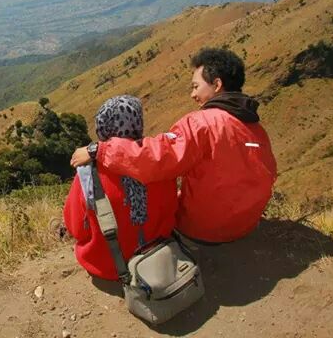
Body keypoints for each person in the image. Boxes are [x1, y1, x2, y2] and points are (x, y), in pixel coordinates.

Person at [70, 48, 277, 244]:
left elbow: (156, 158)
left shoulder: (201, 124)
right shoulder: (256, 128)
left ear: (217, 85)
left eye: (196, 86)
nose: (192, 95)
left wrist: (100, 149)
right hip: (245, 225)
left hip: (205, 230)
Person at [63, 95, 178, 281]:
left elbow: (76, 228)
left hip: (109, 268)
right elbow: (172, 208)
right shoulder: (159, 161)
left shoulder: (87, 174)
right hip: (160, 255)